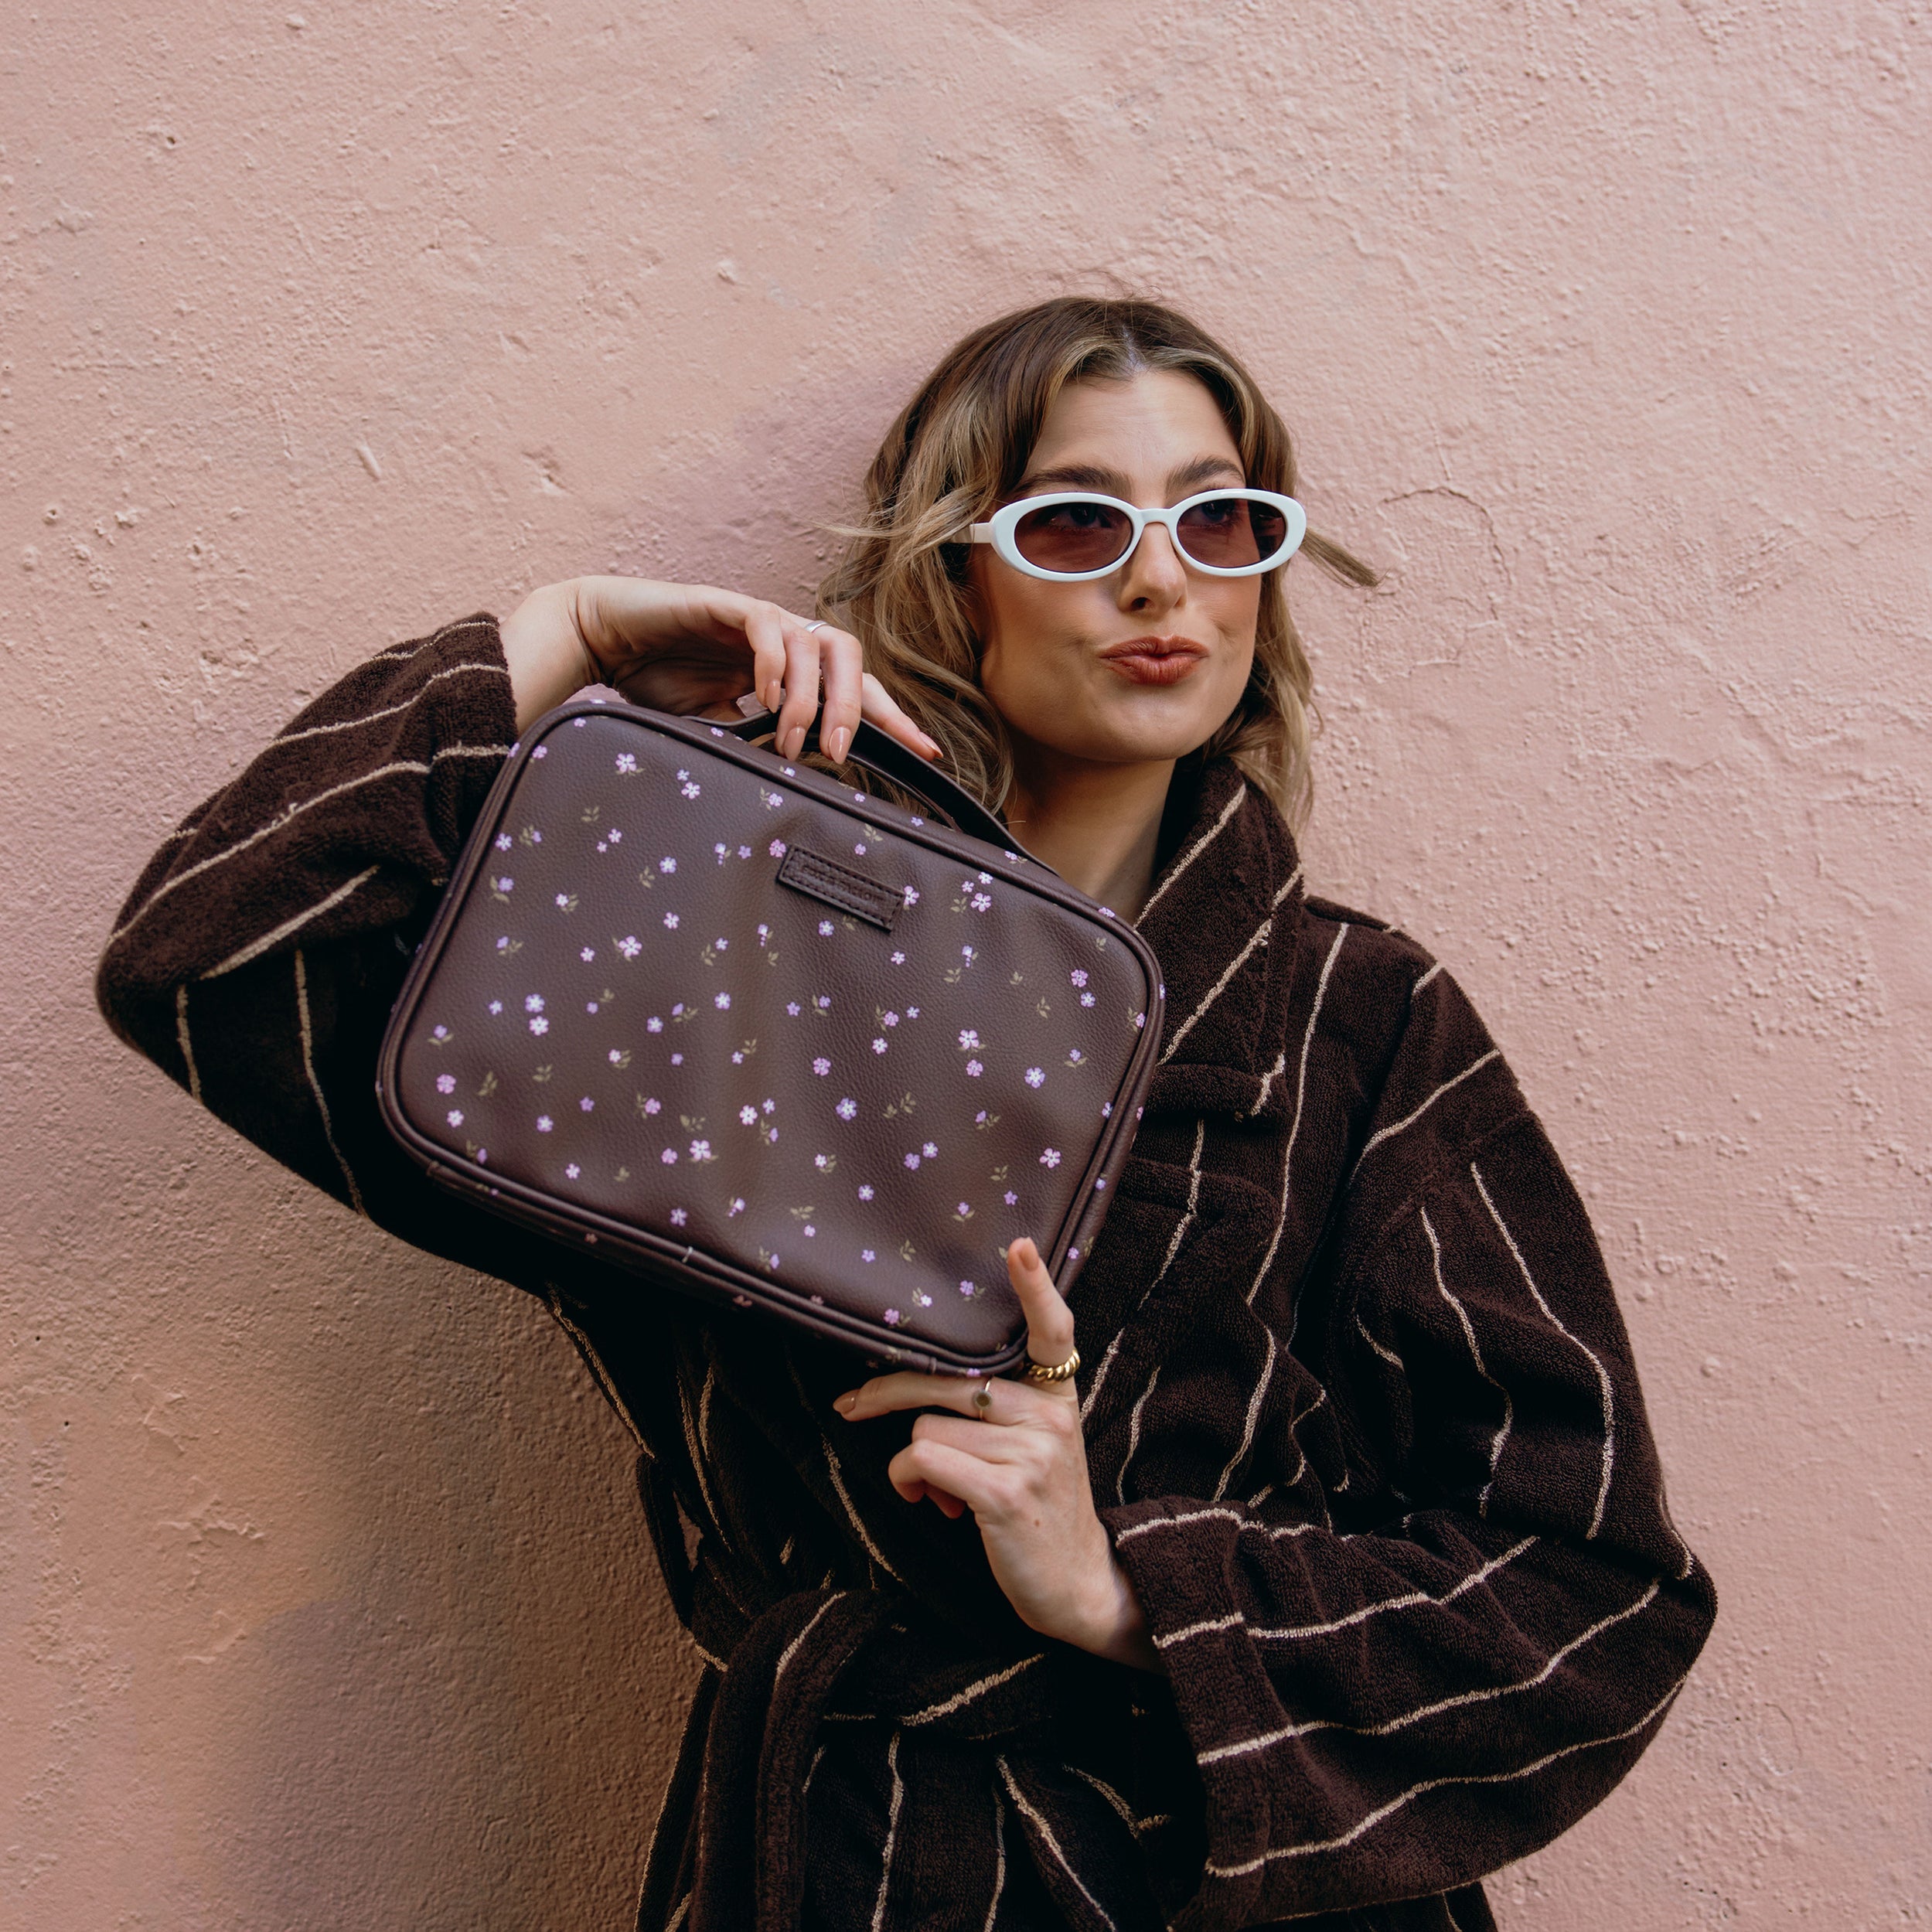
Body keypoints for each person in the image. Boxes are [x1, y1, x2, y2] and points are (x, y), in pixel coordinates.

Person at [97, 297, 1715, 1932]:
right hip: (838, 1856)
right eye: (1076, 520)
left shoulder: (1352, 1021)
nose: (1162, 580)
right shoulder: (723, 962)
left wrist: (1130, 1593)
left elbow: (1589, 1588)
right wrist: (569, 640)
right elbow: (211, 963)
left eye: (1219, 519)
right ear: (957, 573)